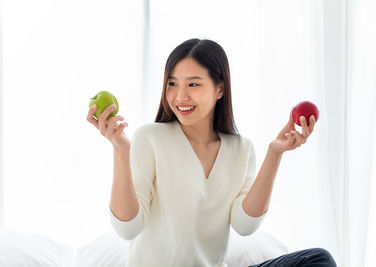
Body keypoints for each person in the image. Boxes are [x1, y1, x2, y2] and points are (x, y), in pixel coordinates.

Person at [86, 38, 337, 267]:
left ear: (220, 89)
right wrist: (121, 150)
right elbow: (127, 228)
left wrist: (275, 154)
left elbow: (245, 225)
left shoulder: (241, 149)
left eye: (193, 84)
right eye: (172, 83)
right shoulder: (150, 138)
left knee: (318, 260)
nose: (180, 96)